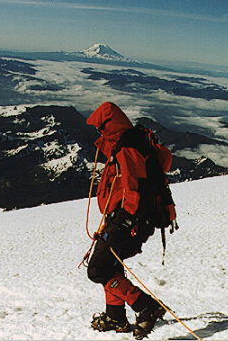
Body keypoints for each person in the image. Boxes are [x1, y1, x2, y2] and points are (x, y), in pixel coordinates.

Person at [86, 102, 170, 339]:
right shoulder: (130, 144)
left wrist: (125, 221)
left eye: (101, 128)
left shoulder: (127, 148)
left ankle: (146, 306)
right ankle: (115, 317)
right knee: (111, 265)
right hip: (128, 219)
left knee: (98, 269)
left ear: (109, 125)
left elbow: (135, 187)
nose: (99, 133)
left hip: (130, 220)